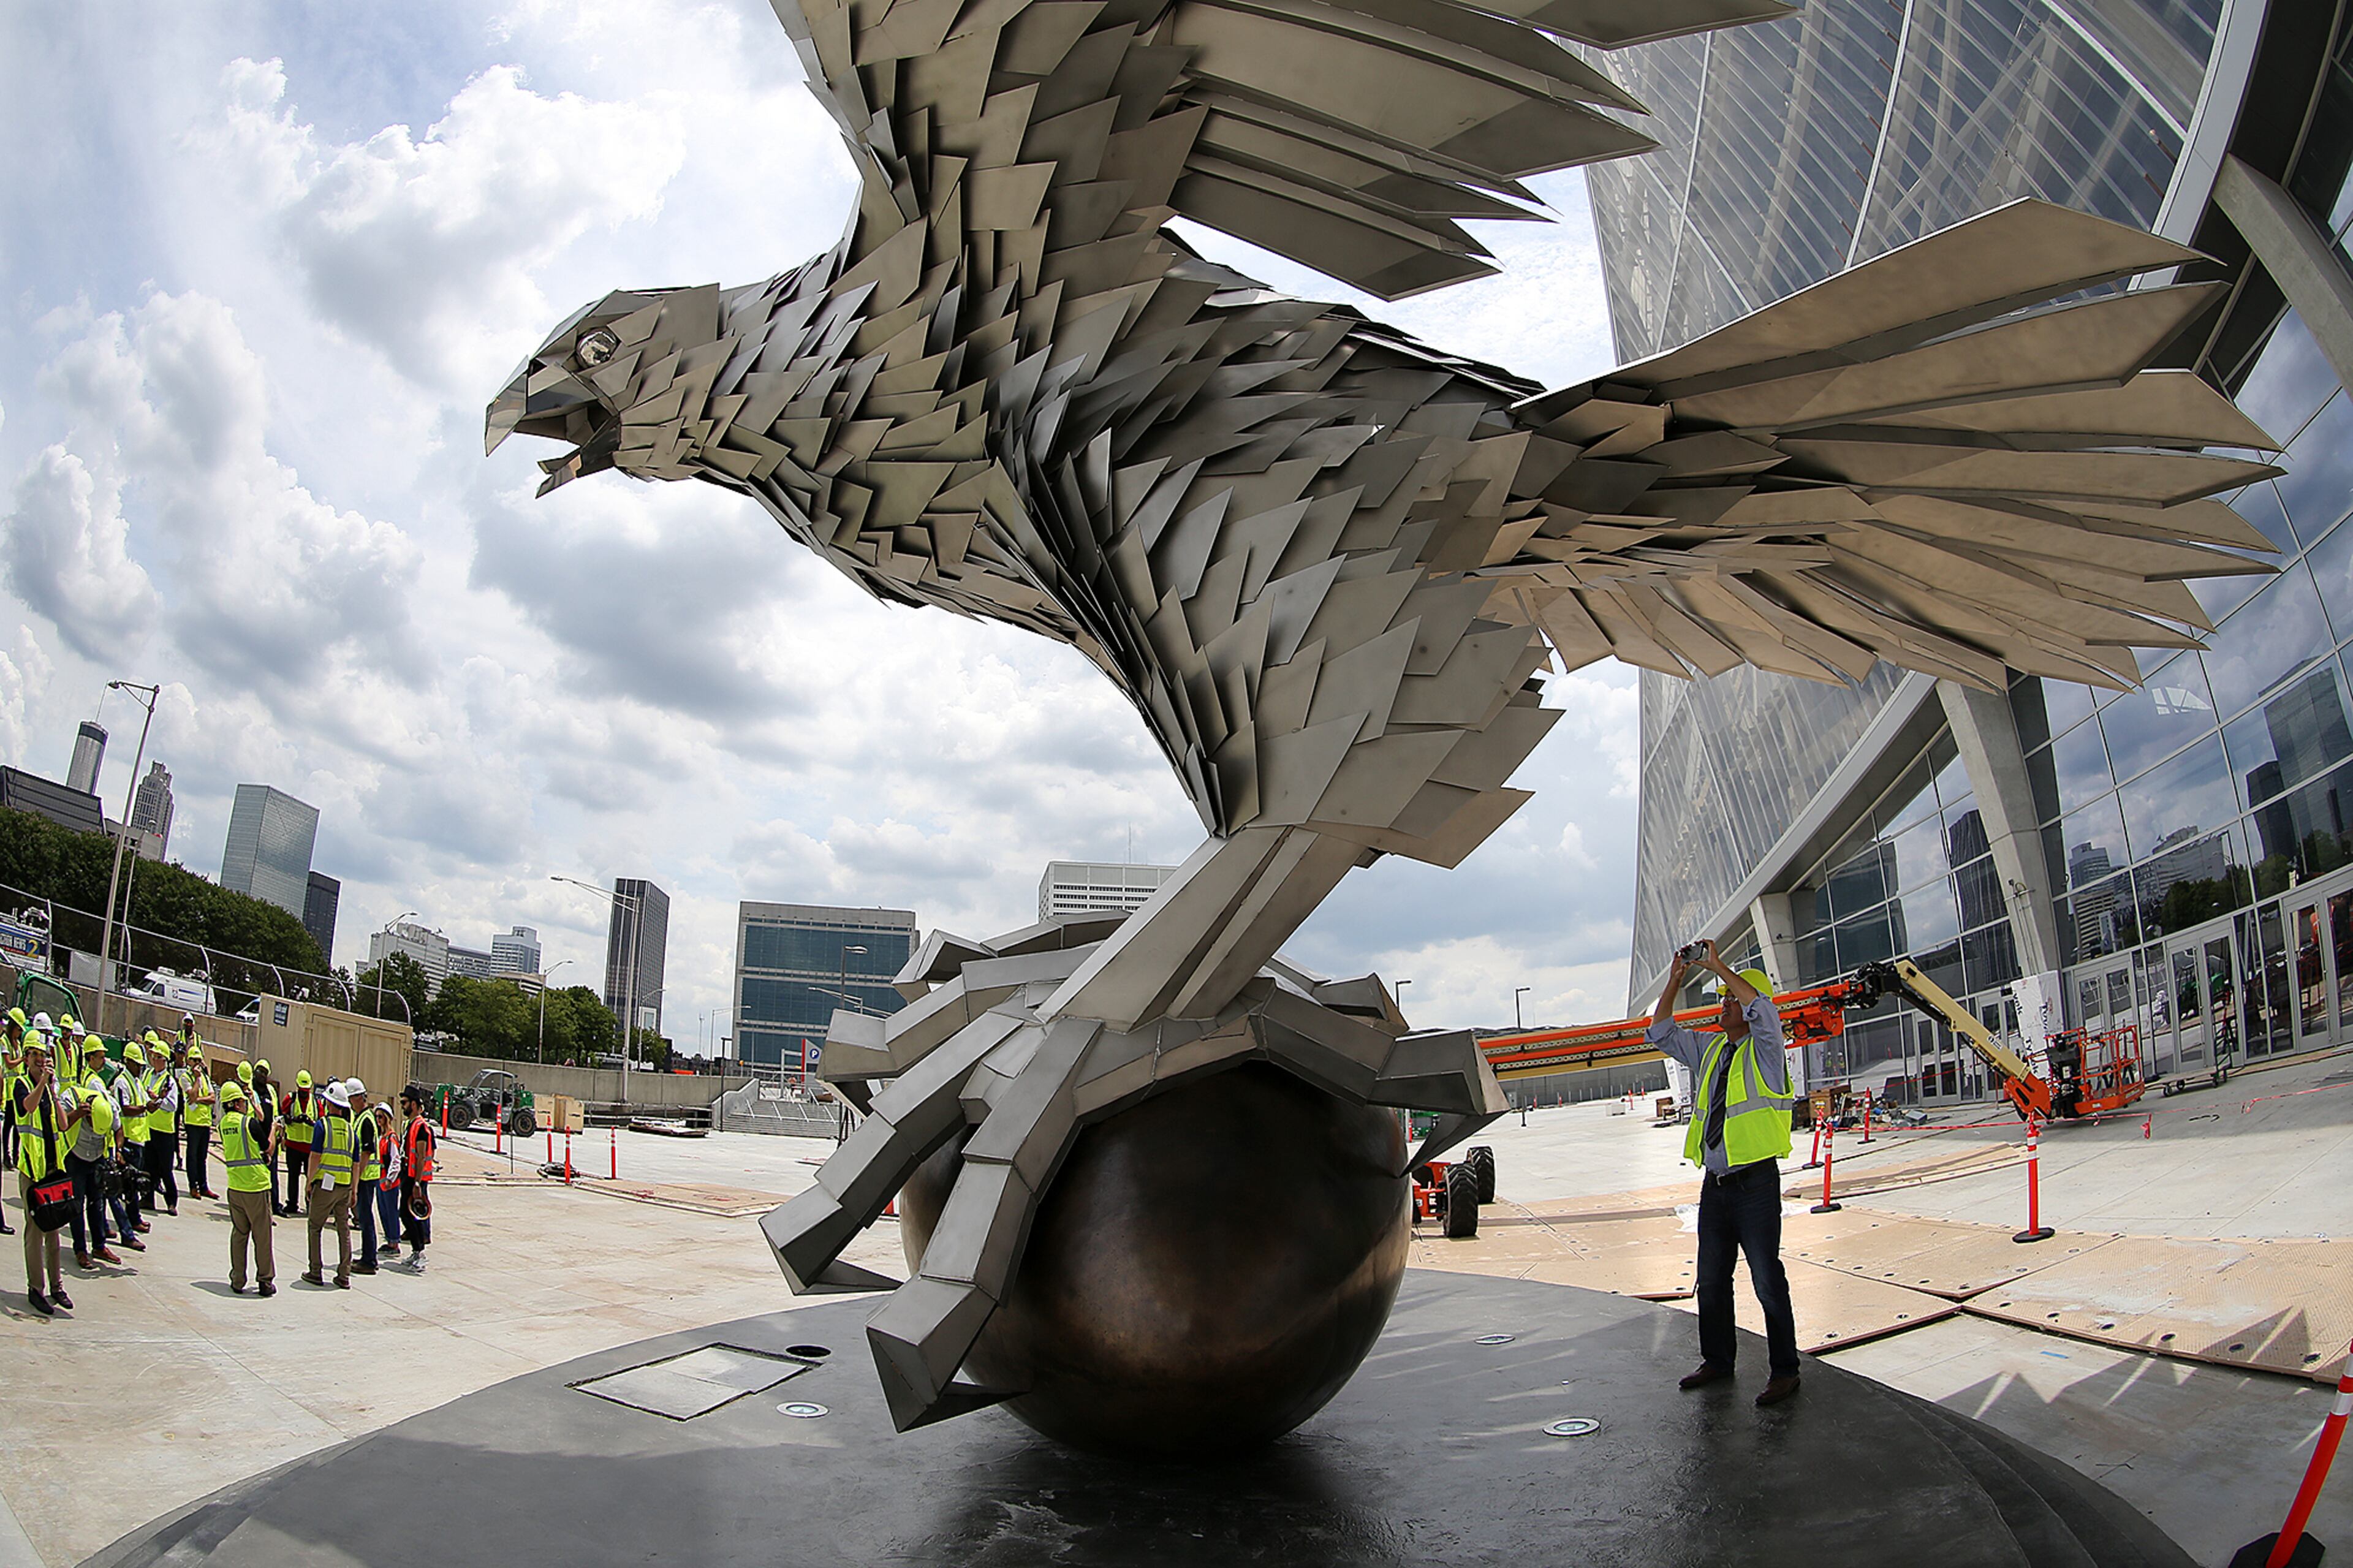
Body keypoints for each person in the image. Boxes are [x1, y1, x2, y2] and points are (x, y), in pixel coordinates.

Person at [1649, 940, 1800, 1407]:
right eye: (1720, 997)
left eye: (1730, 998)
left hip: (1755, 1184)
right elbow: (1660, 1030)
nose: (1724, 1004)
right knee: (1712, 1279)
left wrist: (1720, 965)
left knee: (1766, 1279)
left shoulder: (1767, 1049)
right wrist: (1675, 979)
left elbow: (1763, 1011)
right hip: (1715, 1187)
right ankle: (1717, 1360)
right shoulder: (1712, 1049)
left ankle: (1785, 1369)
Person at [13, 1036, 74, 1314]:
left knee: (54, 1231)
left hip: (52, 1171)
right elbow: (28, 1107)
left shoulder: (47, 1089)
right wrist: (41, 1084)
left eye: (43, 1054)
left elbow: (62, 1125)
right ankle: (35, 1288)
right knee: (35, 1232)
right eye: (34, 1054)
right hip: (32, 1172)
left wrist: (52, 1089)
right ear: (26, 1058)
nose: (40, 1059)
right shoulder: (21, 1085)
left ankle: (57, 1286)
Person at [65, 1038, 126, 1264]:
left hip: (97, 1155)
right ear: (90, 1058)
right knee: (77, 1204)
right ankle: (80, 1249)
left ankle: (99, 1246)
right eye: (100, 1056)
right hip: (77, 1155)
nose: (104, 1060)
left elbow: (118, 1127)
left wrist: (117, 1151)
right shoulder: (90, 1087)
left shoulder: (106, 1107)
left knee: (97, 1202)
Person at [216, 1081, 276, 1297]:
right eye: (242, 1101)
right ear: (235, 1103)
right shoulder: (248, 1123)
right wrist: (275, 1132)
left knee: (239, 1234)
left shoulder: (222, 1125)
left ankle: (238, 1279)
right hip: (256, 1186)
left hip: (235, 1186)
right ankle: (265, 1281)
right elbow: (267, 1147)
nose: (244, 1104)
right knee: (262, 1236)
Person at [303, 1081, 357, 1289]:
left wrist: (309, 1182)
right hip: (344, 1187)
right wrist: (354, 1190)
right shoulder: (351, 1131)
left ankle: (315, 1271)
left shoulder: (322, 1125)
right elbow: (355, 1163)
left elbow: (315, 1157)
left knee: (315, 1226)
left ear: (331, 1104)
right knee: (343, 1229)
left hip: (326, 1185)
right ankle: (344, 1274)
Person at [347, 1079, 393, 1274]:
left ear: (359, 1097)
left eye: (351, 1098)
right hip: (366, 1176)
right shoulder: (361, 1118)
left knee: (365, 1218)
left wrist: (355, 1182)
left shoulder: (366, 1120)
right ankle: (368, 1256)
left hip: (367, 1177)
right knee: (365, 1217)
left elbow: (366, 1153)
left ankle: (369, 1260)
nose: (350, 1102)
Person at [142, 1032, 180, 1216]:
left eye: (158, 1057)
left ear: (165, 1060)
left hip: (165, 1132)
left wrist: (157, 1100)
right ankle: (148, 1198)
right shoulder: (148, 1074)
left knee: (166, 1169)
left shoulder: (169, 1081)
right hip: (149, 1129)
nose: (154, 1060)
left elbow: (172, 1105)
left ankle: (171, 1201)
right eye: (153, 1056)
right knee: (148, 1167)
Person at [396, 1085, 434, 1272]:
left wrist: (418, 1183)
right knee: (405, 1213)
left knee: (412, 1214)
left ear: (413, 1104)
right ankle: (416, 1250)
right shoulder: (410, 1125)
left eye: (404, 1103)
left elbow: (420, 1156)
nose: (402, 1106)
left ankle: (420, 1252)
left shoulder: (420, 1127)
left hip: (415, 1178)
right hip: (408, 1175)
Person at [178, 1034, 218, 1200]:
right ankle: (193, 1185)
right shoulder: (186, 1078)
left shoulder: (205, 1078)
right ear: (189, 1061)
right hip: (193, 1122)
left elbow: (212, 1098)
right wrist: (196, 1080)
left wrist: (200, 1100)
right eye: (194, 1060)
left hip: (205, 1122)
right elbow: (191, 1095)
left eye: (199, 1060)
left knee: (202, 1156)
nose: (197, 1063)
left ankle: (204, 1186)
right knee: (192, 1155)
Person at [278, 1069, 317, 1218]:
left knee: (311, 1177)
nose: (304, 1093)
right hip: (293, 1145)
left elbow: (320, 1121)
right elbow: (283, 1115)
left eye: (306, 1091)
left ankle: (310, 1204)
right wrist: (293, 1120)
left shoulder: (315, 1102)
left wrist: (310, 1122)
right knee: (293, 1176)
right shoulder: (290, 1098)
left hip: (309, 1147)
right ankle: (292, 1203)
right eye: (302, 1091)